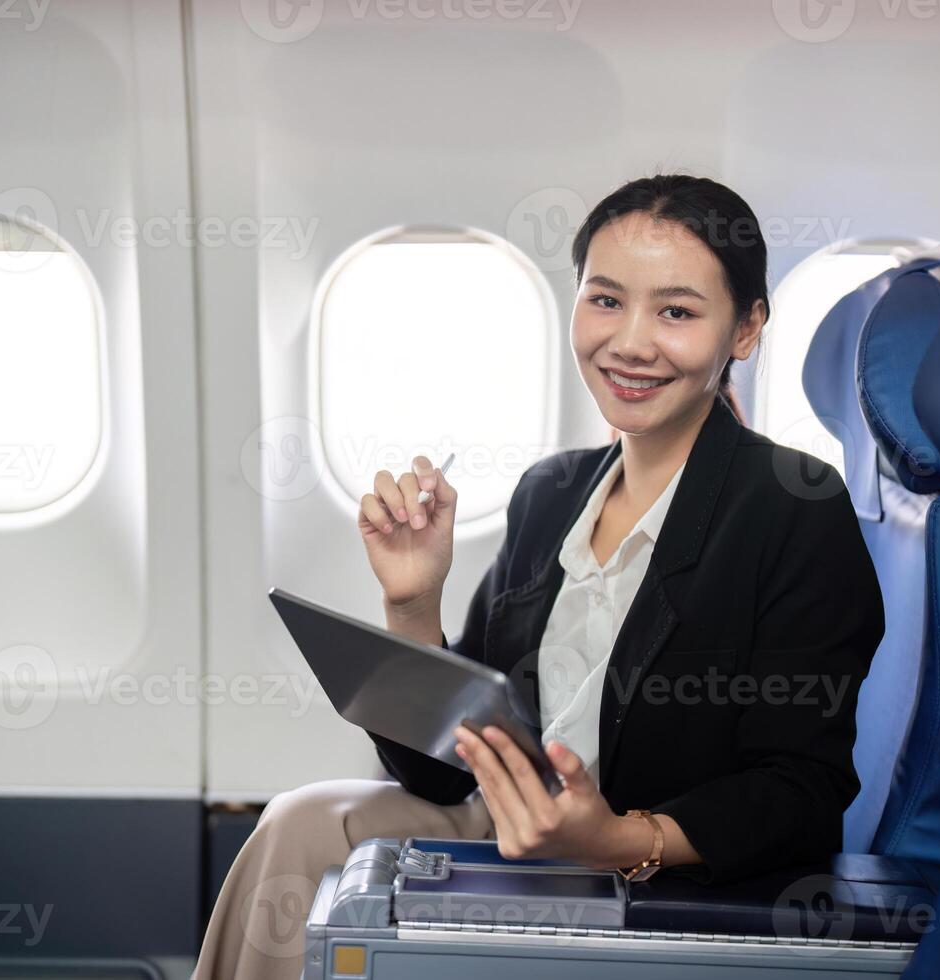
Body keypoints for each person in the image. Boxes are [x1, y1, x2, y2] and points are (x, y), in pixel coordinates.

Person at [193, 174, 884, 979]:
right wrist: (413, 602)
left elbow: (802, 790)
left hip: (654, 872)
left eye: (677, 312)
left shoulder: (793, 507)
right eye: (604, 300)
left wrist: (618, 837)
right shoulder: (551, 492)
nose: (629, 342)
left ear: (746, 329)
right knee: (300, 823)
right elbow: (442, 769)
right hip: (515, 830)